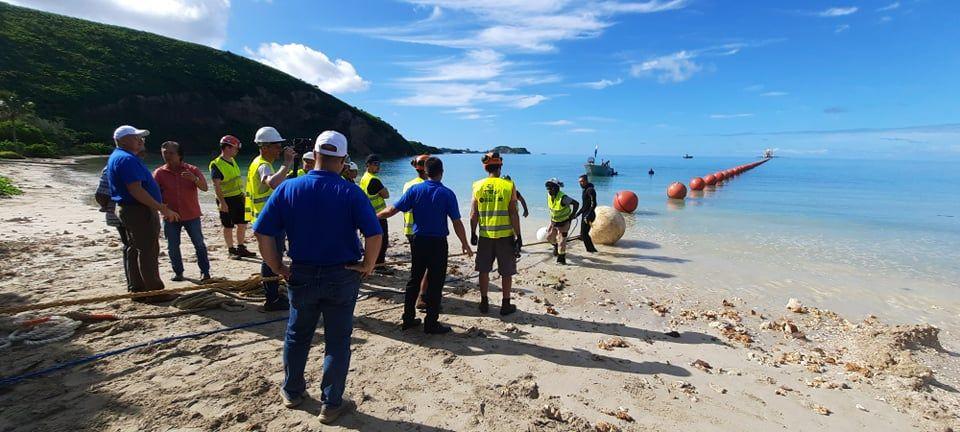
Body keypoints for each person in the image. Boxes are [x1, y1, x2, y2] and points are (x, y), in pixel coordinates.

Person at [253, 130, 382, 425]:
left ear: (315, 154)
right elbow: (374, 233)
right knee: (337, 341)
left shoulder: (289, 188)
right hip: (342, 274)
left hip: (302, 272)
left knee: (297, 335)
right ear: (343, 159)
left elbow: (263, 232)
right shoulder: (350, 191)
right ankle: (331, 404)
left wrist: (276, 266)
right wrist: (368, 265)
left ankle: (293, 392)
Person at [379, 157, 472, 333]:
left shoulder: (415, 190)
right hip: (438, 243)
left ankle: (407, 318)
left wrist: (373, 217)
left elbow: (392, 210)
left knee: (414, 279)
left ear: (426, 171)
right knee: (436, 283)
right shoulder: (447, 193)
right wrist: (465, 244)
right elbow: (457, 222)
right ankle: (431, 323)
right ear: (441, 172)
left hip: (418, 241)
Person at [106, 125, 179, 303]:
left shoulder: (121, 157)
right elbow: (136, 190)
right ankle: (154, 291)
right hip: (138, 210)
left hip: (131, 209)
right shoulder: (126, 159)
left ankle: (137, 287)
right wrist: (161, 207)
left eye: (141, 137)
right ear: (123, 140)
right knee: (148, 249)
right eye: (136, 137)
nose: (141, 140)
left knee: (135, 248)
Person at [247, 126, 295, 311]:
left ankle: (273, 294)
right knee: (271, 259)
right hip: (269, 221)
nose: (279, 150)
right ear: (264, 146)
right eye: (276, 146)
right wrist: (287, 163)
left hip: (266, 219)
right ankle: (272, 299)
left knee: (271, 257)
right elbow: (273, 183)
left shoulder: (259, 162)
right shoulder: (263, 165)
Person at [470, 152, 521, 315]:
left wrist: (473, 232)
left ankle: (484, 302)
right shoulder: (509, 185)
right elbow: (513, 213)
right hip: (505, 236)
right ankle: (505, 304)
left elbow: (473, 213)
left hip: (485, 236)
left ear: (486, 168)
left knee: (483, 270)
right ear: (500, 166)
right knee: (506, 271)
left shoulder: (477, 185)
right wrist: (519, 236)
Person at [153, 141, 211, 282]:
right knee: (172, 246)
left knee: (199, 244)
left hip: (192, 214)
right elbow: (154, 194)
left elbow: (205, 188)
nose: (167, 156)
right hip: (170, 216)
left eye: (171, 153)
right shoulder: (159, 173)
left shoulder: (192, 169)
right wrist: (164, 210)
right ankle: (178, 272)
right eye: (164, 153)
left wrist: (194, 179)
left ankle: (205, 272)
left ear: (179, 155)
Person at [95, 150, 144, 292]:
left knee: (133, 246)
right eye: (138, 141)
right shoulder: (118, 165)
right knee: (133, 247)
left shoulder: (129, 164)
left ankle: (136, 284)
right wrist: (107, 207)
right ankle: (136, 286)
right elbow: (101, 193)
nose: (142, 144)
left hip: (130, 213)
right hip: (126, 214)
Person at [210, 135, 256, 260]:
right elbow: (216, 185)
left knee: (242, 223)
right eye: (235, 148)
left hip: (238, 197)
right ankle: (231, 250)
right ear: (227, 148)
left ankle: (241, 247)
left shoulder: (232, 160)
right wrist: (222, 203)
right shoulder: (216, 164)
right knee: (228, 225)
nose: (237, 151)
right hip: (226, 199)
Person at [403, 155, 430, 310]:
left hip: (409, 229)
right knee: (425, 267)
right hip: (422, 231)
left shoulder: (408, 184)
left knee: (417, 265)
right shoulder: (427, 186)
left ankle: (412, 302)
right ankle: (421, 296)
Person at [359, 154, 391, 274]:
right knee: (382, 240)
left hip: (369, 214)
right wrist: (384, 190)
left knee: (372, 240)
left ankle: (375, 264)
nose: (378, 167)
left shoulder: (364, 177)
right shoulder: (374, 179)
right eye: (375, 164)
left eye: (379, 164)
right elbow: (386, 195)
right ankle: (379, 266)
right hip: (379, 215)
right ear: (368, 165)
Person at [545, 178, 579, 265]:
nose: (548, 189)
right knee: (549, 237)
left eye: (550, 187)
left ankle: (561, 259)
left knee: (562, 240)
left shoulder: (563, 198)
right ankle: (556, 246)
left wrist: (571, 216)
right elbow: (553, 210)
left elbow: (576, 204)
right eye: (547, 187)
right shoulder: (549, 195)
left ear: (556, 188)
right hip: (554, 221)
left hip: (564, 222)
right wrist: (551, 223)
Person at [575, 174, 598, 253]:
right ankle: (591, 250)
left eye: (582, 181)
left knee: (584, 234)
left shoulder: (590, 190)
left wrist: (588, 215)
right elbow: (584, 206)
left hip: (590, 215)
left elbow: (594, 204)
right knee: (583, 234)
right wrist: (577, 214)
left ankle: (592, 250)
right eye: (579, 182)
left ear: (586, 181)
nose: (580, 183)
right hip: (585, 214)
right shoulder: (584, 190)